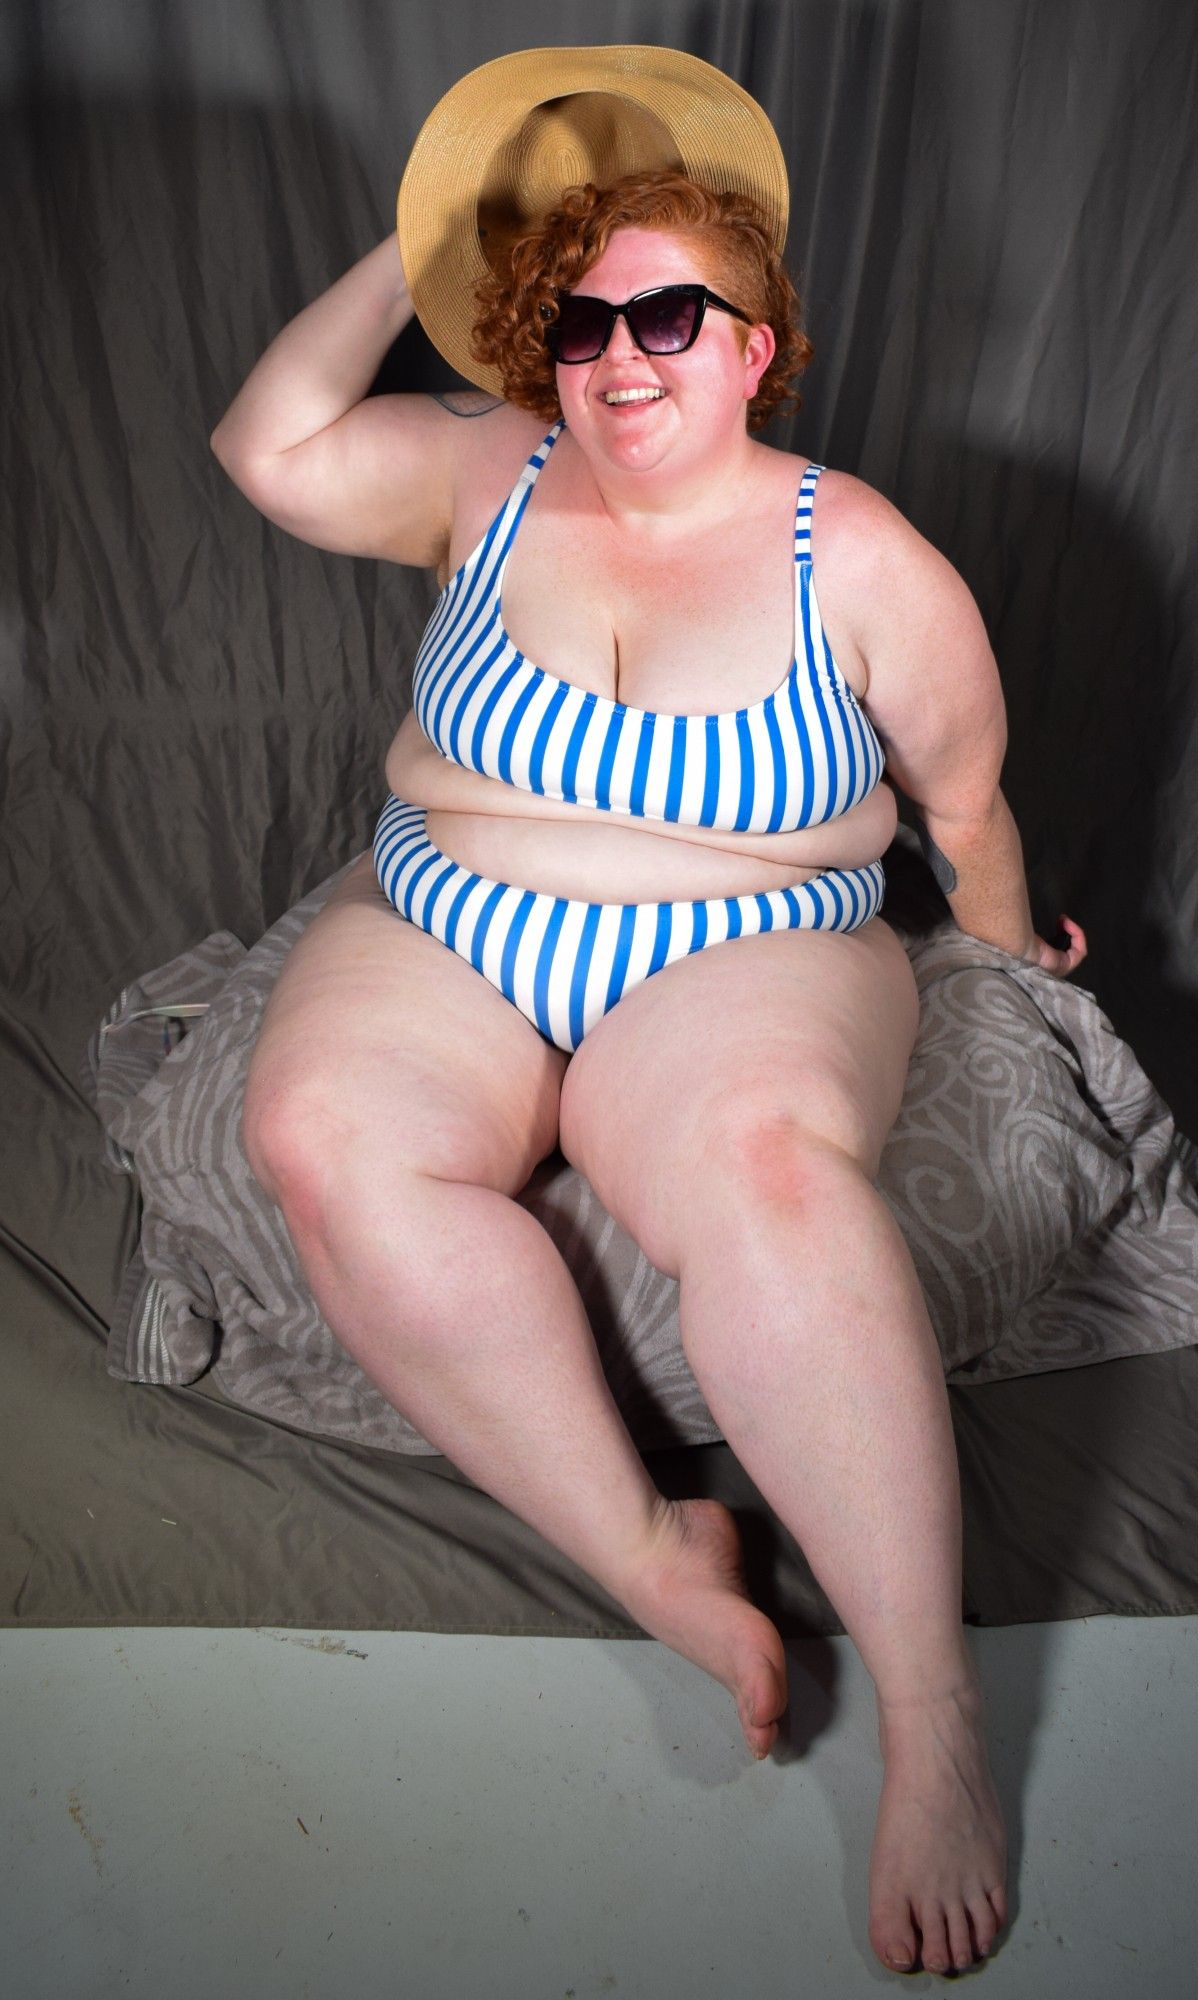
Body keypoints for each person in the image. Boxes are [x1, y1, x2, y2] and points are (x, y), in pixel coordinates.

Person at [209, 54, 1086, 1980]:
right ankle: (647, 1554)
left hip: (744, 951)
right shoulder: (477, 462)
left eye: (670, 317)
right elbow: (265, 447)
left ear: (755, 346)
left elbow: (960, 812)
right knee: (320, 1139)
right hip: (448, 923)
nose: (622, 358)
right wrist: (428, 241)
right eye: (581, 317)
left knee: (769, 1174)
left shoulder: (855, 557)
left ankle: (935, 1727)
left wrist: (1015, 975)